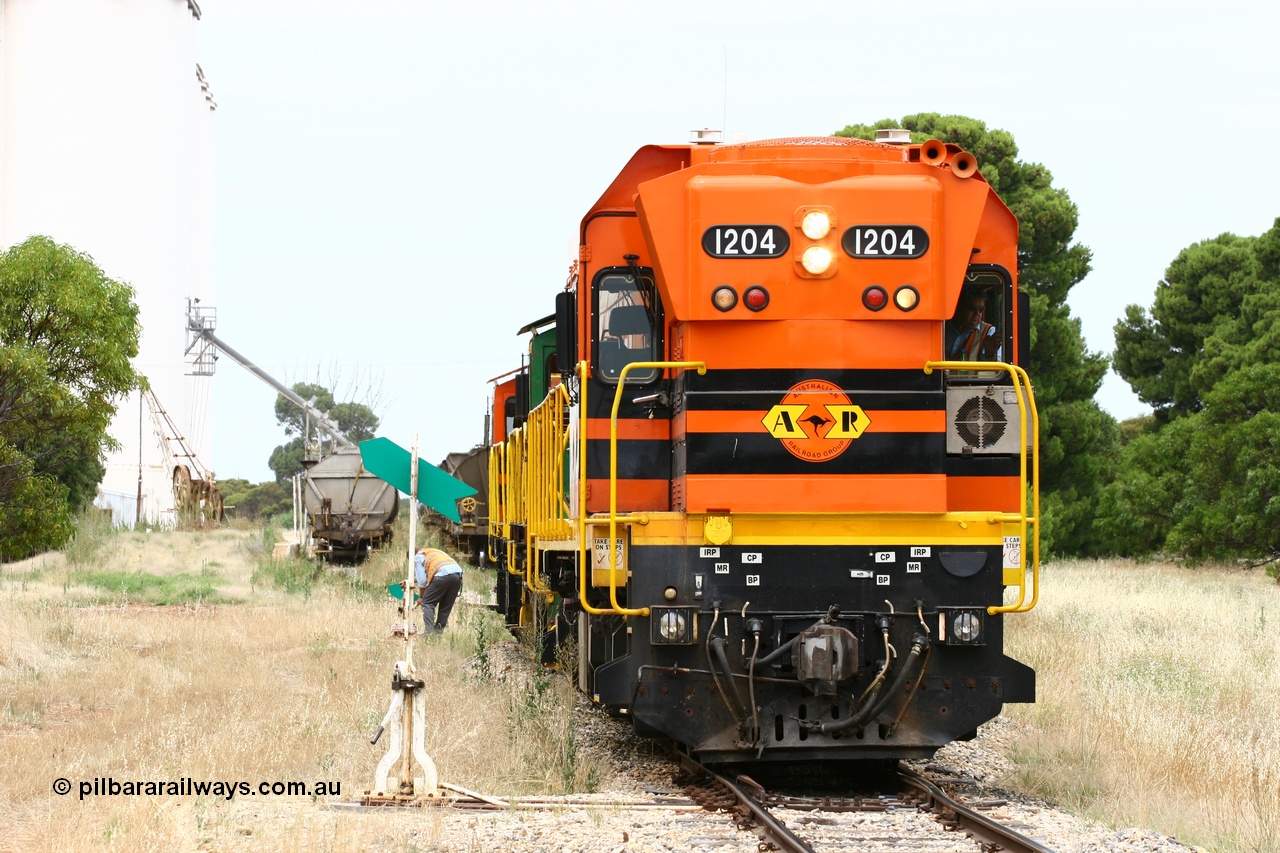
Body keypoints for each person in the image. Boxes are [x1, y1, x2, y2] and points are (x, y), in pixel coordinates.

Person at [414, 547, 463, 634]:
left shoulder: (417, 557)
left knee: (427, 603)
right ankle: (438, 633)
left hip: (442, 575)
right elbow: (431, 572)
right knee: (445, 607)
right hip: (456, 575)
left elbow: (422, 581)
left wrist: (422, 597)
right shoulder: (432, 552)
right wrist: (413, 579)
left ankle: (429, 633)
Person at [946, 289, 1001, 361]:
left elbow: (999, 368)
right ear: (959, 308)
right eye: (971, 309)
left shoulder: (989, 332)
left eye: (980, 310)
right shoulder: (942, 328)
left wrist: (989, 354)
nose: (976, 314)